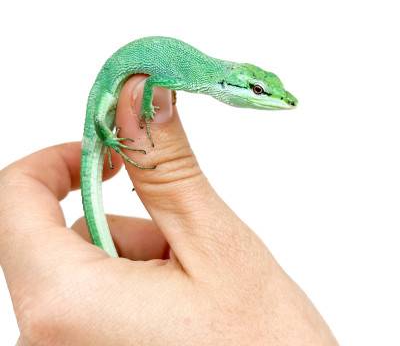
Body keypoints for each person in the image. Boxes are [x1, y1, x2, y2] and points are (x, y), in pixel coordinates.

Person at [0, 75, 338, 345]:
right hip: (105, 100)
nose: (268, 97)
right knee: (95, 167)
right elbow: (155, 82)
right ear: (230, 84)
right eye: (258, 90)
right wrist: (140, 115)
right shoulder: (196, 77)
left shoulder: (201, 76)